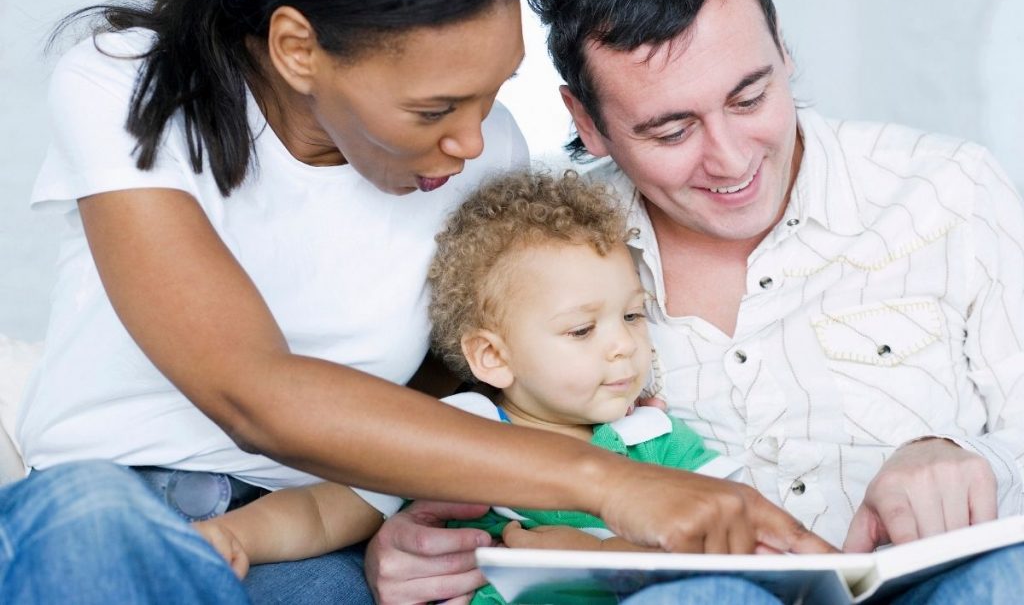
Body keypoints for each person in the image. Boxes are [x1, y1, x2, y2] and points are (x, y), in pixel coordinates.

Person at [2, 0, 831, 603]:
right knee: (90, 521)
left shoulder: (487, 151)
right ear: (297, 48)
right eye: (434, 109)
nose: (471, 140)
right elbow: (252, 391)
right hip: (106, 506)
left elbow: (460, 381)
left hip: (311, 537)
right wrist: (610, 482)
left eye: (494, 92)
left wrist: (425, 517)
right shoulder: (129, 84)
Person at [367, 0, 1024, 603]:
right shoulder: (543, 251)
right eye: (672, 130)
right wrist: (409, 542)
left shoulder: (949, 190)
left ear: (782, 47)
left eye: (750, 98)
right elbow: (466, 437)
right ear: (586, 120)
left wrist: (963, 458)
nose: (732, 160)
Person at [192, 170, 746, 603]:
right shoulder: (453, 435)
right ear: (492, 357)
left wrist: (600, 559)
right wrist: (232, 537)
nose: (623, 345)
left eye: (632, 316)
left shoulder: (656, 440)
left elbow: (735, 553)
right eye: (582, 329)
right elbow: (322, 510)